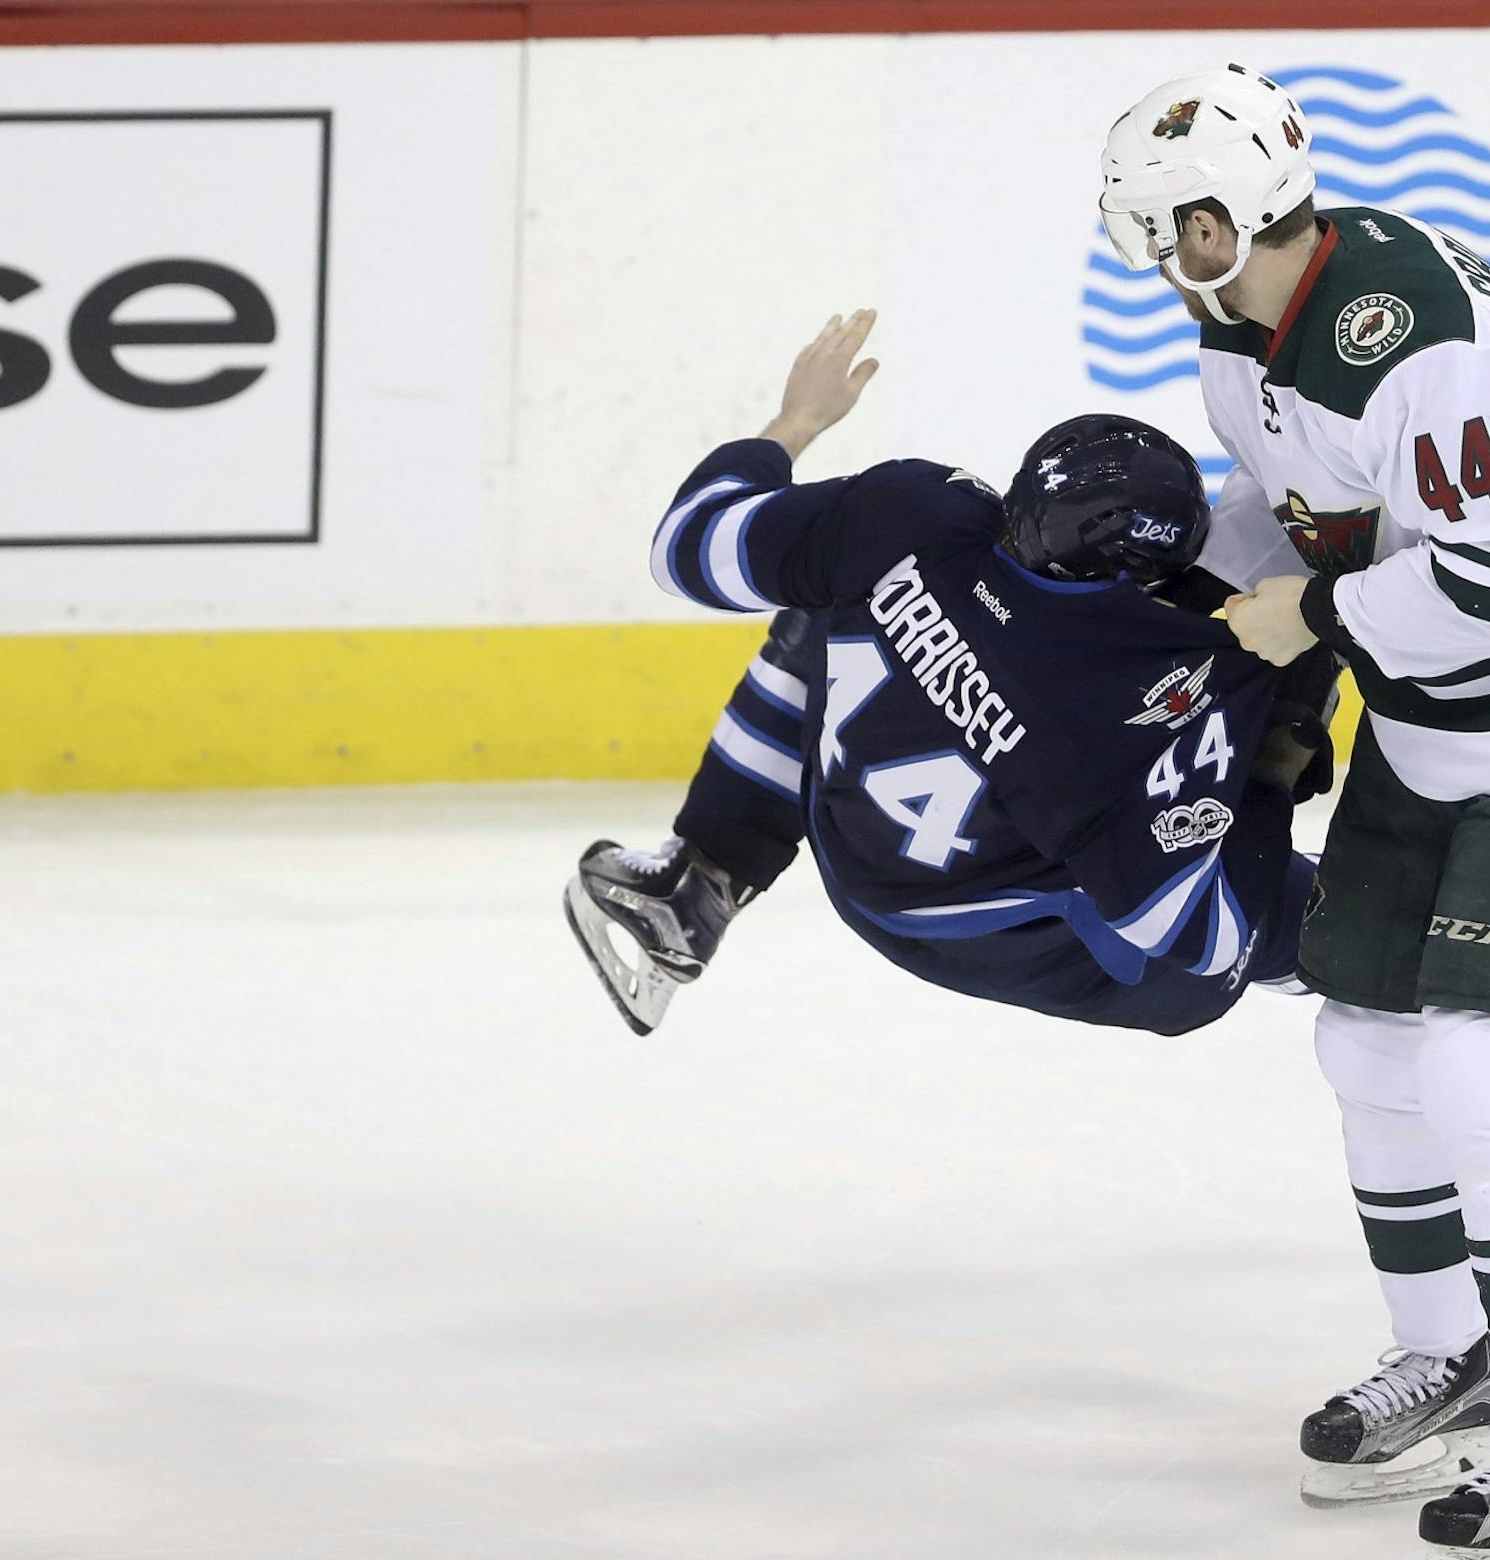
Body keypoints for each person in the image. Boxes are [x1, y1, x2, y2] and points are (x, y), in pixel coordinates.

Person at [1097, 65, 1490, 1560]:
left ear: (1220, 215)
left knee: (1487, 1066)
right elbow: (1306, 506)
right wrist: (1181, 574)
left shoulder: (1416, 341)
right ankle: (1458, 1362)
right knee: (1367, 1037)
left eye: (1172, 231)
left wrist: (1307, 615)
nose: (1165, 261)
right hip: (1438, 720)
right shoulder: (1249, 328)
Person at [566, 312, 1333, 1047]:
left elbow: (684, 547)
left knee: (830, 587)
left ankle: (705, 874)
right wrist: (1272, 760)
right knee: (1354, 930)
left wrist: (797, 421)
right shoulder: (1112, 711)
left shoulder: (909, 516)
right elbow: (1195, 933)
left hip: (857, 853)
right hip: (1021, 938)